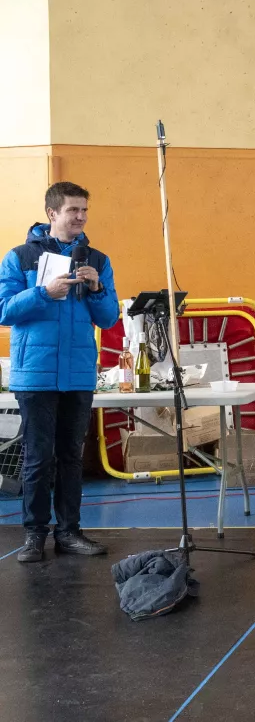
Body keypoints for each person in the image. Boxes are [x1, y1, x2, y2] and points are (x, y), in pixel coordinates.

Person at [0, 182, 119, 563]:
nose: (81, 217)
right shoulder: (19, 257)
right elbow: (3, 310)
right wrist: (43, 293)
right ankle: (34, 535)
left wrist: (97, 288)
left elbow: (109, 318)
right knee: (38, 457)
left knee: (71, 456)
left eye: (84, 210)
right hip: (35, 374)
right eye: (73, 210)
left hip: (79, 374)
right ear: (52, 213)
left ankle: (69, 532)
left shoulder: (97, 260)